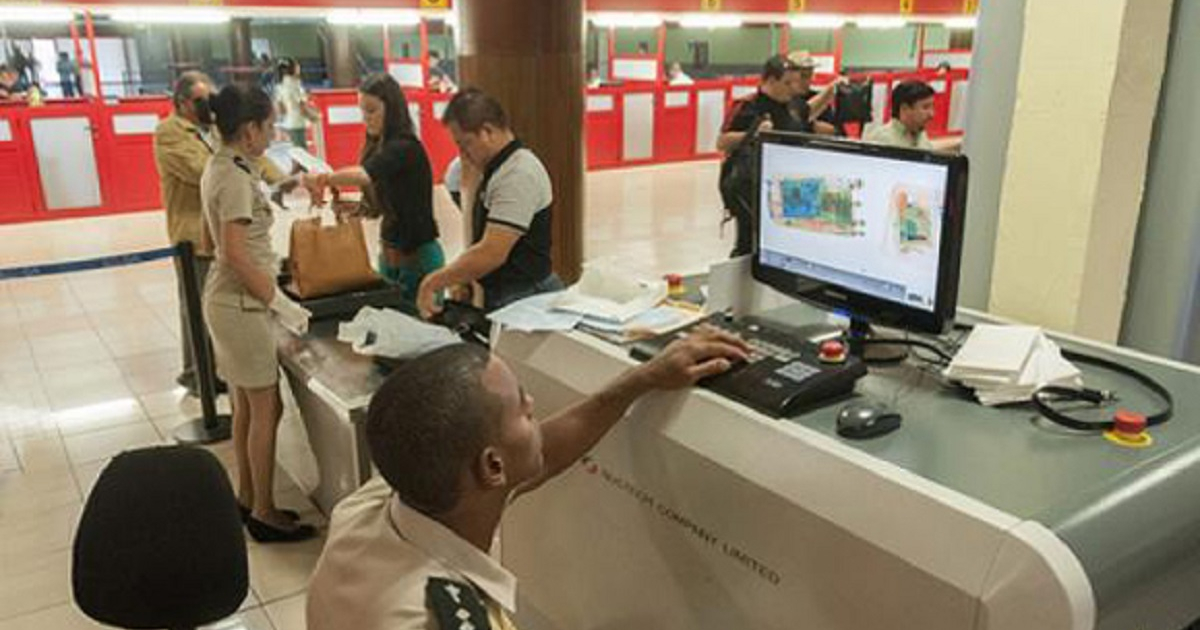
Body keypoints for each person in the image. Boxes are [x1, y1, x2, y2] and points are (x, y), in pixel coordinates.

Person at [307, 329, 750, 630]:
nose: (534, 405)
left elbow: (541, 455)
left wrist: (643, 379)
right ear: (492, 467)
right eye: (522, 408)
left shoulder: (393, 495)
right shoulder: (433, 617)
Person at [201, 84, 315, 543]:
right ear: (249, 130)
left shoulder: (225, 165)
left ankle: (249, 497)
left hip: (228, 302)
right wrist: (280, 303)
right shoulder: (232, 177)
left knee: (247, 406)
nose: (271, 134)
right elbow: (235, 255)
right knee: (268, 406)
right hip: (240, 305)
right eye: (268, 126)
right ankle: (265, 512)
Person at [154, 71, 287, 397]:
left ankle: (219, 371)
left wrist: (282, 180)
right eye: (200, 100)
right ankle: (197, 375)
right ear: (181, 102)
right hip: (195, 235)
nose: (208, 106)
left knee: (211, 310)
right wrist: (281, 304)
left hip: (219, 229)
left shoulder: (217, 134)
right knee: (196, 309)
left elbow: (251, 157)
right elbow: (206, 168)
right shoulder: (171, 133)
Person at [416, 88, 561, 317]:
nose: (463, 154)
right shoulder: (491, 168)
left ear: (487, 131)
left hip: (527, 298)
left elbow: (492, 252)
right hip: (506, 294)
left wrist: (433, 281)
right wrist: (462, 278)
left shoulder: (518, 174)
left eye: (465, 144)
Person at [303, 73, 445, 307]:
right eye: (362, 111)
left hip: (418, 261)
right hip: (389, 259)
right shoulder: (380, 147)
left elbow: (362, 175)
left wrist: (322, 178)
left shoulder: (405, 147)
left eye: (372, 111)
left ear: (393, 109)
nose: (365, 119)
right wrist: (356, 207)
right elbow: (381, 207)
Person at [717, 54, 807, 258]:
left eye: (795, 82)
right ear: (771, 80)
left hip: (788, 186)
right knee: (750, 241)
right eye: (787, 83)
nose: (793, 88)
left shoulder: (792, 106)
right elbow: (722, 141)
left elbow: (808, 115)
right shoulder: (748, 106)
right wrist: (752, 133)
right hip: (752, 185)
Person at [864, 80, 936, 150]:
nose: (931, 114)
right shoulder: (880, 139)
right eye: (925, 107)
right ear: (904, 108)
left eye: (932, 107)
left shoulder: (920, 135)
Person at [787, 50, 844, 136]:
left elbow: (840, 133)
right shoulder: (782, 100)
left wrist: (833, 131)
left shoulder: (818, 98)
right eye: (804, 76)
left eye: (810, 75)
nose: (808, 81)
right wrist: (811, 127)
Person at [274, 57, 318, 149]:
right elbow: (302, 108)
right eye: (297, 66)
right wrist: (314, 117)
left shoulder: (279, 86)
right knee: (302, 154)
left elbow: (280, 109)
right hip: (298, 123)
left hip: (288, 123)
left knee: (295, 153)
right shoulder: (295, 85)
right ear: (292, 69)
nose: (299, 68)